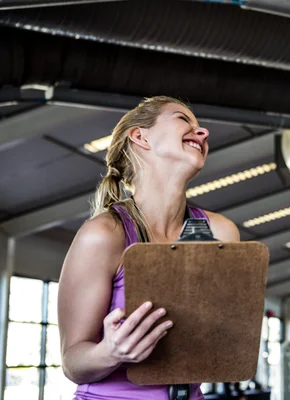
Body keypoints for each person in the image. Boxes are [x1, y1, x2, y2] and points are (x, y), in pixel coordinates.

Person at [58, 96, 240, 399]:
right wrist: (110, 351)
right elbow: (72, 362)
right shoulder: (105, 234)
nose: (204, 133)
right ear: (140, 137)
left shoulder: (221, 233)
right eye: (183, 119)